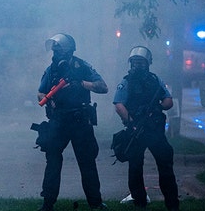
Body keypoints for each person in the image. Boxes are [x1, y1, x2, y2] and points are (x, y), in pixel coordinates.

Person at [36, 33, 108, 211]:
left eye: (59, 49)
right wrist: (47, 98)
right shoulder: (51, 69)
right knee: (52, 161)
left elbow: (103, 86)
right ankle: (47, 204)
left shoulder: (82, 66)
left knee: (87, 162)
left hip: (80, 121)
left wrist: (82, 84)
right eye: (54, 50)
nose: (55, 53)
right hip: (58, 120)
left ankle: (96, 203)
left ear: (68, 50)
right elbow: (40, 92)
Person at [113, 46, 180, 211]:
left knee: (147, 165)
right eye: (135, 62)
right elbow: (119, 105)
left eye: (139, 62)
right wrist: (132, 122)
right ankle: (165, 204)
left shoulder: (152, 80)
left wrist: (152, 110)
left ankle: (146, 202)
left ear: (146, 63)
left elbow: (168, 101)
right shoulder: (144, 80)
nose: (137, 65)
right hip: (142, 130)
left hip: (149, 129)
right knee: (142, 166)